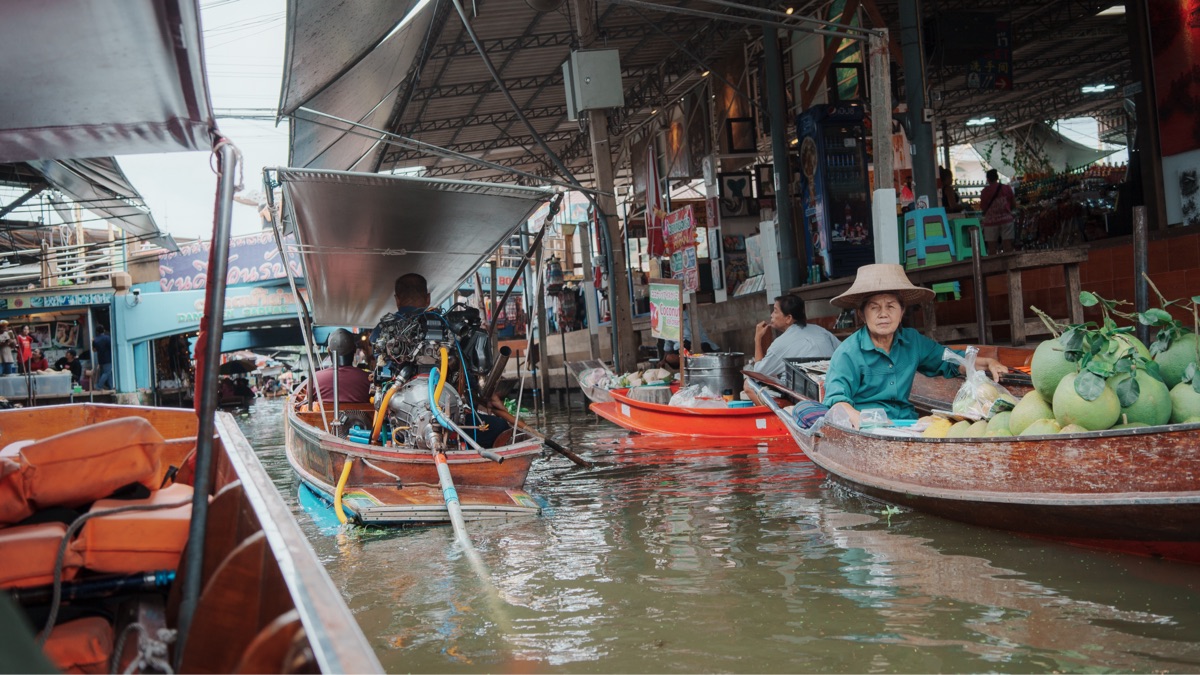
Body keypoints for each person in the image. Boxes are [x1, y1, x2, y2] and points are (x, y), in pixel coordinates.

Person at [823, 264, 1008, 428]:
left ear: (902, 311)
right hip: (868, 429)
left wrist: (988, 363)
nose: (883, 314)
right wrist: (862, 420)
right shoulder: (847, 353)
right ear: (862, 315)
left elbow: (950, 360)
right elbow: (836, 401)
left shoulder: (912, 341)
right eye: (874, 308)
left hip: (909, 425)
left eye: (891, 306)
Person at [744, 294, 841, 402]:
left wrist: (757, 340)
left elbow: (758, 373)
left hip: (804, 397)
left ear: (788, 318)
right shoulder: (821, 330)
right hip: (834, 387)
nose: (771, 315)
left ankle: (782, 416)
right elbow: (842, 351)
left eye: (775, 311)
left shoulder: (780, 343)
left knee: (749, 384)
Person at [371, 273, 431, 343]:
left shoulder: (384, 327)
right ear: (428, 299)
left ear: (397, 300)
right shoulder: (441, 324)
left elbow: (373, 341)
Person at [980, 168, 1017, 252]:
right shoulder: (1006, 188)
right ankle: (1009, 264)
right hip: (1006, 220)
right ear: (997, 178)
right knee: (1008, 246)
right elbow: (1013, 204)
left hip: (990, 222)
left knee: (992, 248)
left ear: (988, 179)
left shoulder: (984, 192)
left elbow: (983, 207)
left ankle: (993, 265)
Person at [92, 325, 113, 390]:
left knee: (108, 373)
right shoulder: (107, 338)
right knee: (107, 373)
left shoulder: (95, 339)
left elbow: (94, 350)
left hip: (100, 358)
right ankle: (99, 386)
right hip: (108, 358)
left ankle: (111, 387)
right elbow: (111, 347)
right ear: (103, 330)